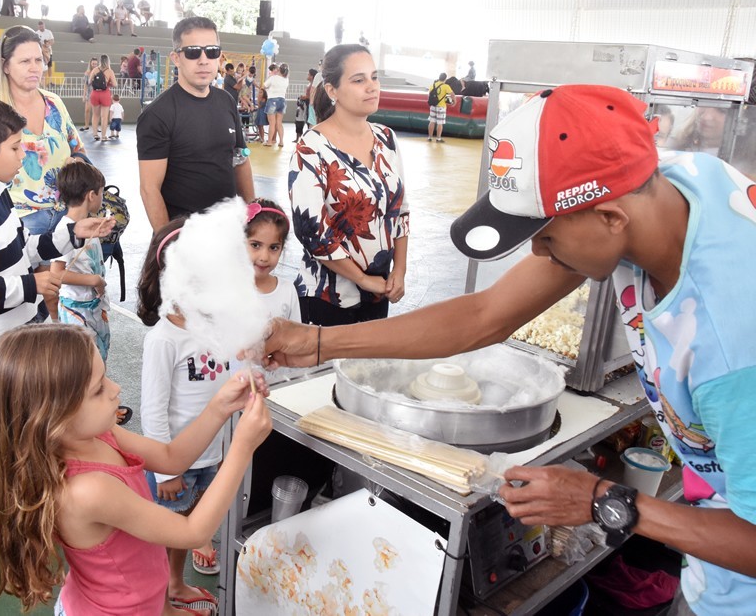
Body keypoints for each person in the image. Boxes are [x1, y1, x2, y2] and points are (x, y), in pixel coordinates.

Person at [265, 83, 756, 616]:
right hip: (711, 565)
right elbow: (484, 315)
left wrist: (602, 500)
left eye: (544, 234)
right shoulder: (668, 181)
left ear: (612, 218)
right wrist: (316, 342)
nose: (537, 253)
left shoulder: (732, 341)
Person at [0, 322, 269, 615]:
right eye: (98, 390)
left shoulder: (100, 434)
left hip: (138, 600)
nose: (115, 389)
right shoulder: (87, 489)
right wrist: (242, 447)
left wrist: (219, 406)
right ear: (53, 417)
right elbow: (192, 531)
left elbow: (171, 457)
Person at [135, 221, 263, 609]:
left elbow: (225, 376)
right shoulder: (163, 339)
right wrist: (165, 471)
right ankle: (161, 593)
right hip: (174, 459)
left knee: (188, 523)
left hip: (211, 452)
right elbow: (152, 410)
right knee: (167, 530)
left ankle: (174, 583)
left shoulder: (214, 327)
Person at [0, 95, 112, 332]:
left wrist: (73, 233)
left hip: (27, 321)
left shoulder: (0, 191)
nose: (23, 154)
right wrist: (30, 284)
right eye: (14, 147)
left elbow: (26, 249)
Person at [290, 43, 409, 326]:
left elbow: (401, 211)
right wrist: (363, 280)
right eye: (358, 80)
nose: (371, 87)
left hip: (380, 292)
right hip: (327, 297)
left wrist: (399, 271)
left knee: (369, 369)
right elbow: (313, 234)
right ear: (332, 91)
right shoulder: (311, 147)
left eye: (374, 77)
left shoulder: (386, 139)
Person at [137, 16, 254, 231]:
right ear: (176, 58)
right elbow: (149, 189)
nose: (203, 60)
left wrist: (253, 217)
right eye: (192, 52)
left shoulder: (226, 101)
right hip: (186, 240)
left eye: (211, 51)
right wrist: (167, 244)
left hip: (230, 233)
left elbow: (240, 159)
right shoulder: (158, 114)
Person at [0, 26, 89, 234]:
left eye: (38, 60)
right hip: (18, 221)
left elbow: (78, 149)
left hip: (67, 215)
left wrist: (76, 167)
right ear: (5, 66)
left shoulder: (54, 103)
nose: (34, 68)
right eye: (25, 61)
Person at [51, 162, 111, 359]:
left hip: (93, 306)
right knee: (85, 366)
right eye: (101, 192)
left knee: (99, 359)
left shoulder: (87, 224)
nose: (102, 197)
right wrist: (95, 280)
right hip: (77, 309)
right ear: (91, 195)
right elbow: (56, 273)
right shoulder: (65, 229)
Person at [246, 199, 301, 323]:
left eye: (273, 248)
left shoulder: (288, 292)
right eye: (255, 245)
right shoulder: (226, 289)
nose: (264, 257)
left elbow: (296, 338)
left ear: (282, 249)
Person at [87, 54, 116, 143]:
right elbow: (115, 84)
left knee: (95, 115)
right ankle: (103, 136)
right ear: (108, 61)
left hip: (95, 94)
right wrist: (109, 83)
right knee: (104, 117)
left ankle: (95, 134)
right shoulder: (110, 71)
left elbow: (89, 81)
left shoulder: (95, 70)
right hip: (105, 94)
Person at [263, 62, 289, 147]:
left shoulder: (273, 78)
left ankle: (270, 141)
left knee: (272, 123)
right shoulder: (286, 79)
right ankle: (281, 141)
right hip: (282, 101)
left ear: (278, 70)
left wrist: (270, 76)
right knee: (279, 123)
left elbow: (263, 86)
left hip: (272, 100)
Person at [427, 71, 454, 143]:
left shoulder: (433, 85)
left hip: (433, 106)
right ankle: (438, 138)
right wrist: (454, 102)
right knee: (440, 123)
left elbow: (429, 95)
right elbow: (452, 94)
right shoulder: (446, 86)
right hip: (441, 107)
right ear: (445, 79)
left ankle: (429, 137)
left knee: (432, 121)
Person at [80, 56, 98, 132]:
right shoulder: (87, 73)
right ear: (90, 64)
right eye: (93, 63)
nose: (94, 65)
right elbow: (85, 84)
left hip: (97, 93)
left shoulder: (99, 72)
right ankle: (86, 125)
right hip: (89, 93)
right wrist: (84, 95)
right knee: (87, 110)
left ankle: (96, 126)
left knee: (96, 111)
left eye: (95, 64)